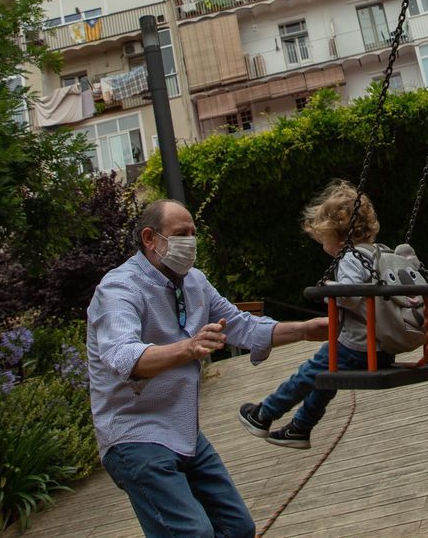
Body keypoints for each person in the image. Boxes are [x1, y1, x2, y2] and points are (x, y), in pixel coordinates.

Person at [86, 198, 328, 538]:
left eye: (193, 233)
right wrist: (188, 348)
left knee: (238, 528)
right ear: (149, 238)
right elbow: (124, 357)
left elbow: (242, 326)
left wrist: (305, 330)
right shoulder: (118, 289)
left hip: (184, 432)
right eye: (180, 234)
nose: (190, 242)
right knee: (194, 534)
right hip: (134, 436)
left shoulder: (194, 282)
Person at [238, 180, 394, 450]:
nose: (322, 243)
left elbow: (349, 295)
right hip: (383, 347)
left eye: (323, 238)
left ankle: (263, 414)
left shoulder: (351, 257)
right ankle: (300, 427)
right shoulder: (379, 253)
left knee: (309, 373)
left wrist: (328, 291)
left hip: (358, 345)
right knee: (326, 377)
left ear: (337, 234)